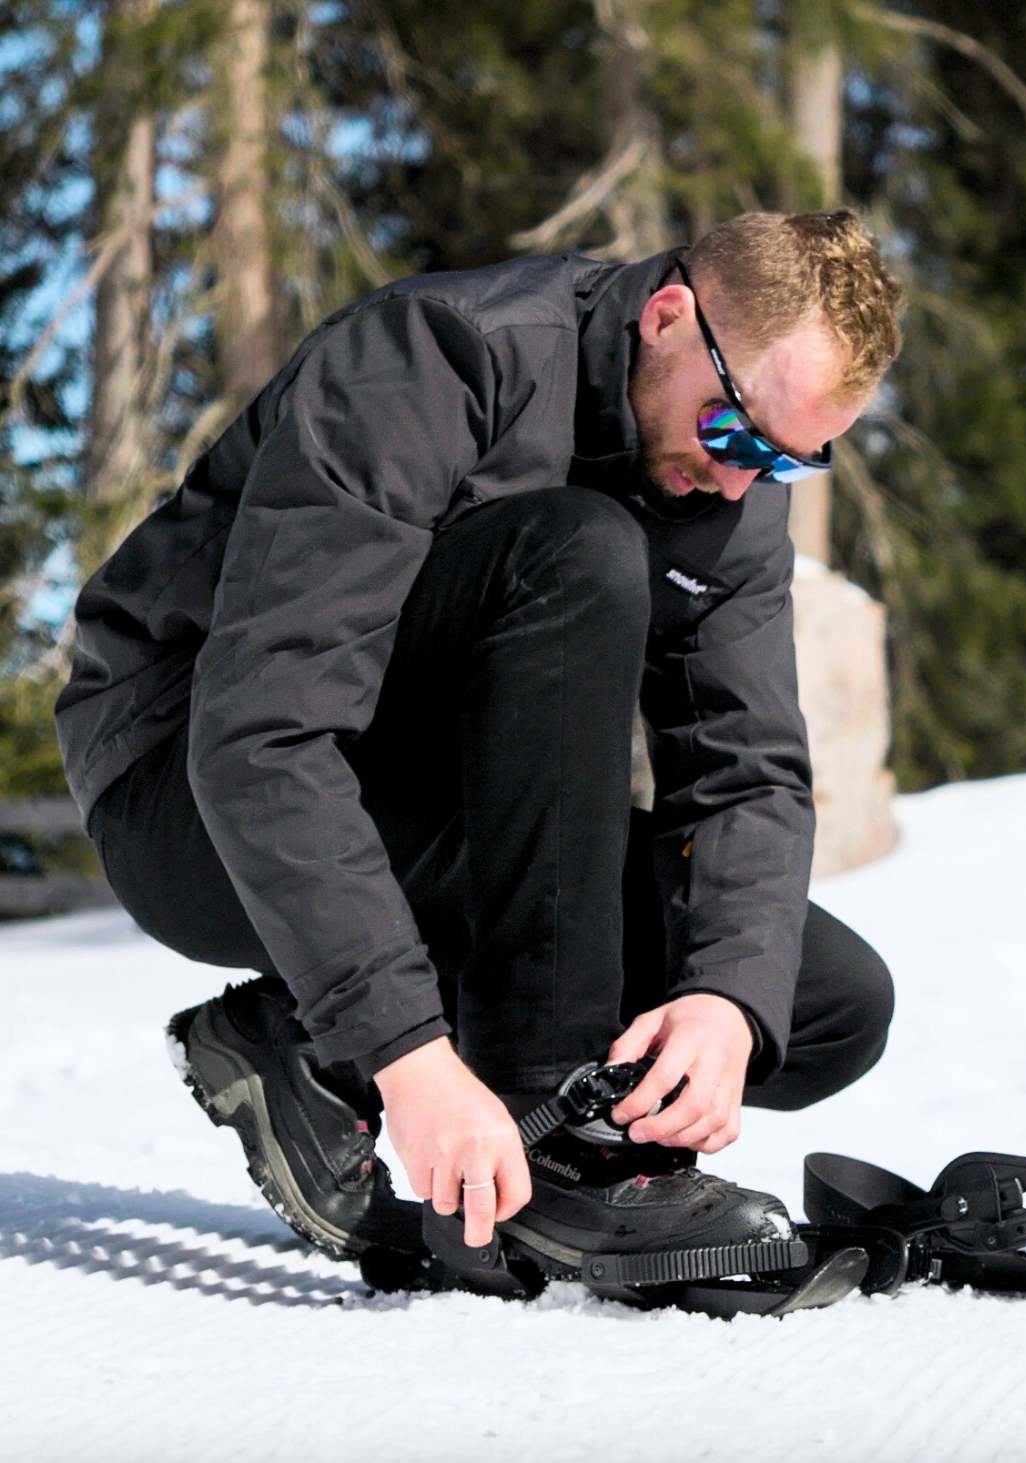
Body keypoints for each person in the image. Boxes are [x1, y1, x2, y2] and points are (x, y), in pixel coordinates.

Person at [54, 209, 905, 1272]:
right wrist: (409, 1052)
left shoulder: (723, 488)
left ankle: (308, 1044)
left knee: (819, 1001)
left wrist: (726, 1001)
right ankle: (548, 1150)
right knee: (577, 548)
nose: (739, 483)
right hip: (186, 788)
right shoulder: (440, 356)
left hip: (443, 811)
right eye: (734, 437)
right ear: (667, 316)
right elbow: (261, 733)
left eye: (786, 464)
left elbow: (745, 773)